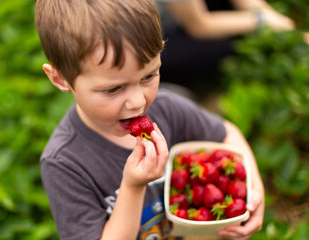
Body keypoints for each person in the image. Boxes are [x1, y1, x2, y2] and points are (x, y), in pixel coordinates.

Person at [34, 0, 264, 239]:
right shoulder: (64, 164)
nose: (137, 102)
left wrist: (254, 193)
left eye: (149, 76)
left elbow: (227, 134)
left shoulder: (167, 108)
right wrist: (133, 186)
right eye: (113, 89)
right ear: (61, 80)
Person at [156, 0, 297, 98]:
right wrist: (260, 20)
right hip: (156, 36)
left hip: (183, 19)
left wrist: (288, 28)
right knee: (233, 43)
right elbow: (198, 26)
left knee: (236, 25)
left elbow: (248, 3)